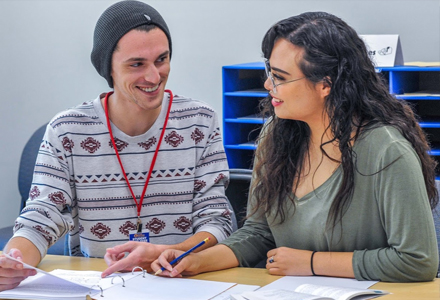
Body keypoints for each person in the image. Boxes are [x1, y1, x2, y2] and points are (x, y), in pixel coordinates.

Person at [151, 11, 439, 282]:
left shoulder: (386, 151)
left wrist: (312, 263)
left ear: (326, 84)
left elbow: (417, 260)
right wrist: (195, 261)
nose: (267, 84)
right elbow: (259, 233)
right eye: (270, 72)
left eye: (280, 77)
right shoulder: (275, 135)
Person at [0, 0, 232, 291]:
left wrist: (167, 253)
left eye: (162, 59)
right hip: (101, 287)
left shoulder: (200, 122)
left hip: (183, 283)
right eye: (137, 64)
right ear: (107, 68)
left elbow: (218, 222)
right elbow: (41, 218)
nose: (153, 76)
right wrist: (13, 262)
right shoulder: (67, 131)